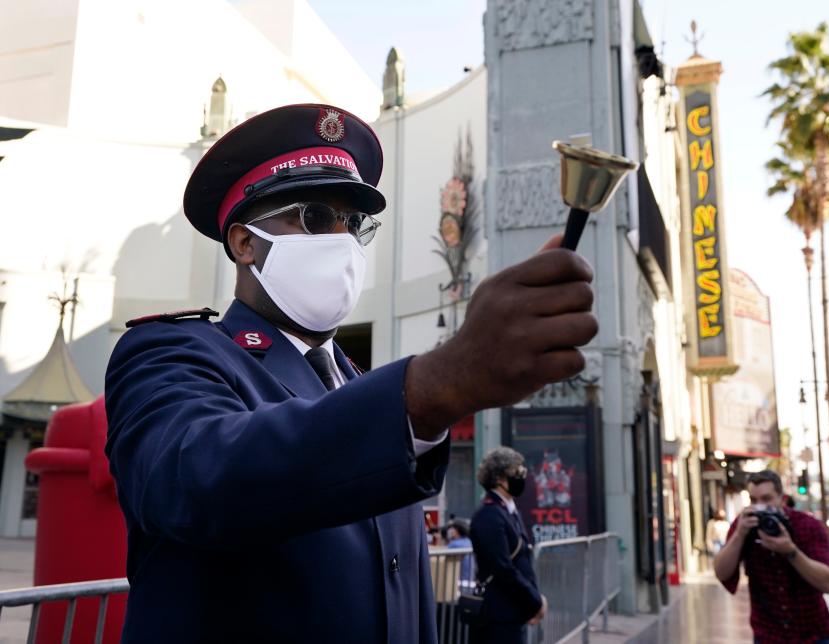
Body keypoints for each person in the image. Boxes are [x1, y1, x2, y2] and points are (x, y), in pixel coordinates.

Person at [104, 104, 597, 643]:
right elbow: (198, 479)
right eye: (316, 217)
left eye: (353, 222)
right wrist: (439, 384)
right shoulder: (169, 354)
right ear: (245, 243)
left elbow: (402, 587)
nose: (342, 239)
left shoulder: (364, 389)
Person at [713, 469, 829, 644]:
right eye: (754, 500)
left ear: (782, 498)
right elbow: (721, 573)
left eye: (767, 499)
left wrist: (791, 551)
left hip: (813, 633)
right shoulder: (745, 524)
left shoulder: (808, 526)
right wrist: (739, 535)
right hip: (768, 634)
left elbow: (828, 583)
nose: (760, 507)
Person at [468, 447, 546, 644]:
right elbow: (502, 568)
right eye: (517, 473)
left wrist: (532, 599)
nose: (522, 477)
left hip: (511, 612)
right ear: (500, 478)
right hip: (497, 617)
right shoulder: (489, 515)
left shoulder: (507, 511)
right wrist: (535, 601)